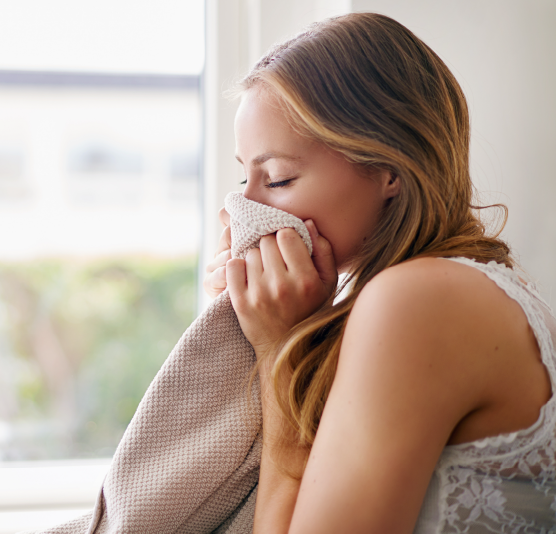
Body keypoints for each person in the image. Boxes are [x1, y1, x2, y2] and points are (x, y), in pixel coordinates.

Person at [202, 12, 556, 534]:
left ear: (388, 170)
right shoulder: (460, 285)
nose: (242, 209)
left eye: (277, 179)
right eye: (243, 176)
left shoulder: (418, 300)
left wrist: (278, 349)